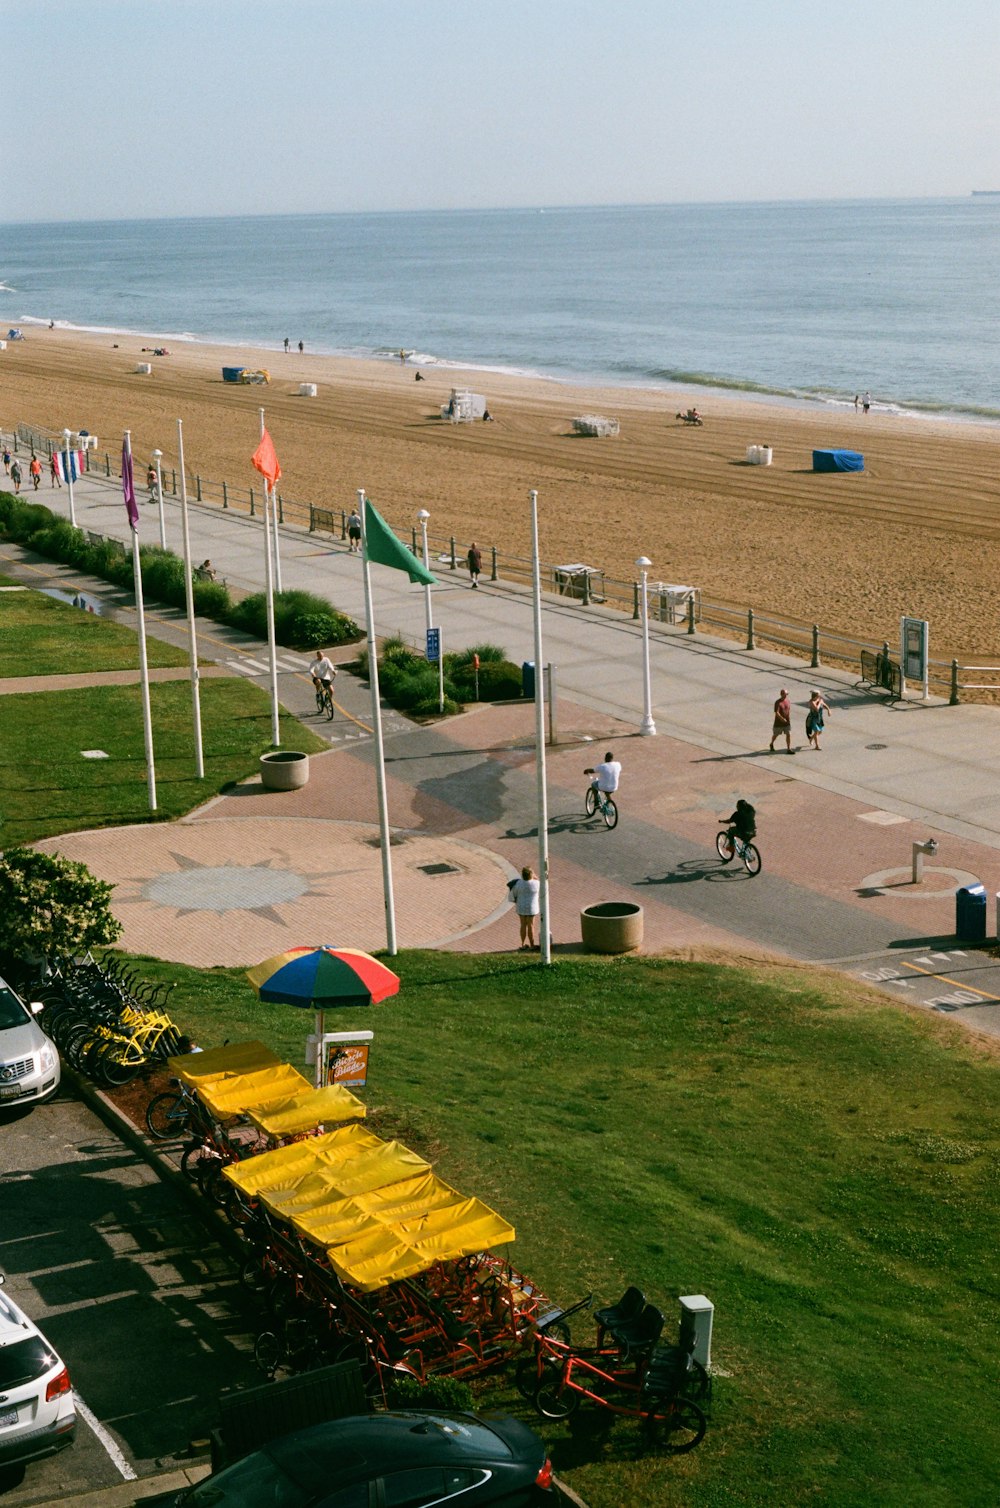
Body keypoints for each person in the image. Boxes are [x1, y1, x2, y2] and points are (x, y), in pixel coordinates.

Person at [511, 866, 541, 951]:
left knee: (523, 925)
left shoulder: (518, 883)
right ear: (531, 874)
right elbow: (540, 884)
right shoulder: (536, 883)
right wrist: (535, 877)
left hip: (521, 907)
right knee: (531, 925)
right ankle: (532, 944)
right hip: (532, 907)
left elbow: (514, 894)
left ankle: (523, 944)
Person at [768, 687, 792, 753]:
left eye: (787, 694)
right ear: (781, 694)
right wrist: (782, 719)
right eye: (785, 694)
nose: (786, 695)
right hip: (779, 722)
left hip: (787, 722)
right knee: (776, 734)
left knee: (788, 734)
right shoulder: (778, 702)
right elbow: (777, 713)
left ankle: (788, 749)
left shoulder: (788, 701)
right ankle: (771, 743)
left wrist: (788, 718)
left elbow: (788, 710)